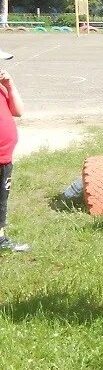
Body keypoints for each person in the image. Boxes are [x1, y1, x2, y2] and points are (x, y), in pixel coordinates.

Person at [0, 48, 29, 253]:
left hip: (4, 156)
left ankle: (0, 239)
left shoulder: (2, 86)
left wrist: (11, 85)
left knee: (2, 198)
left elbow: (18, 112)